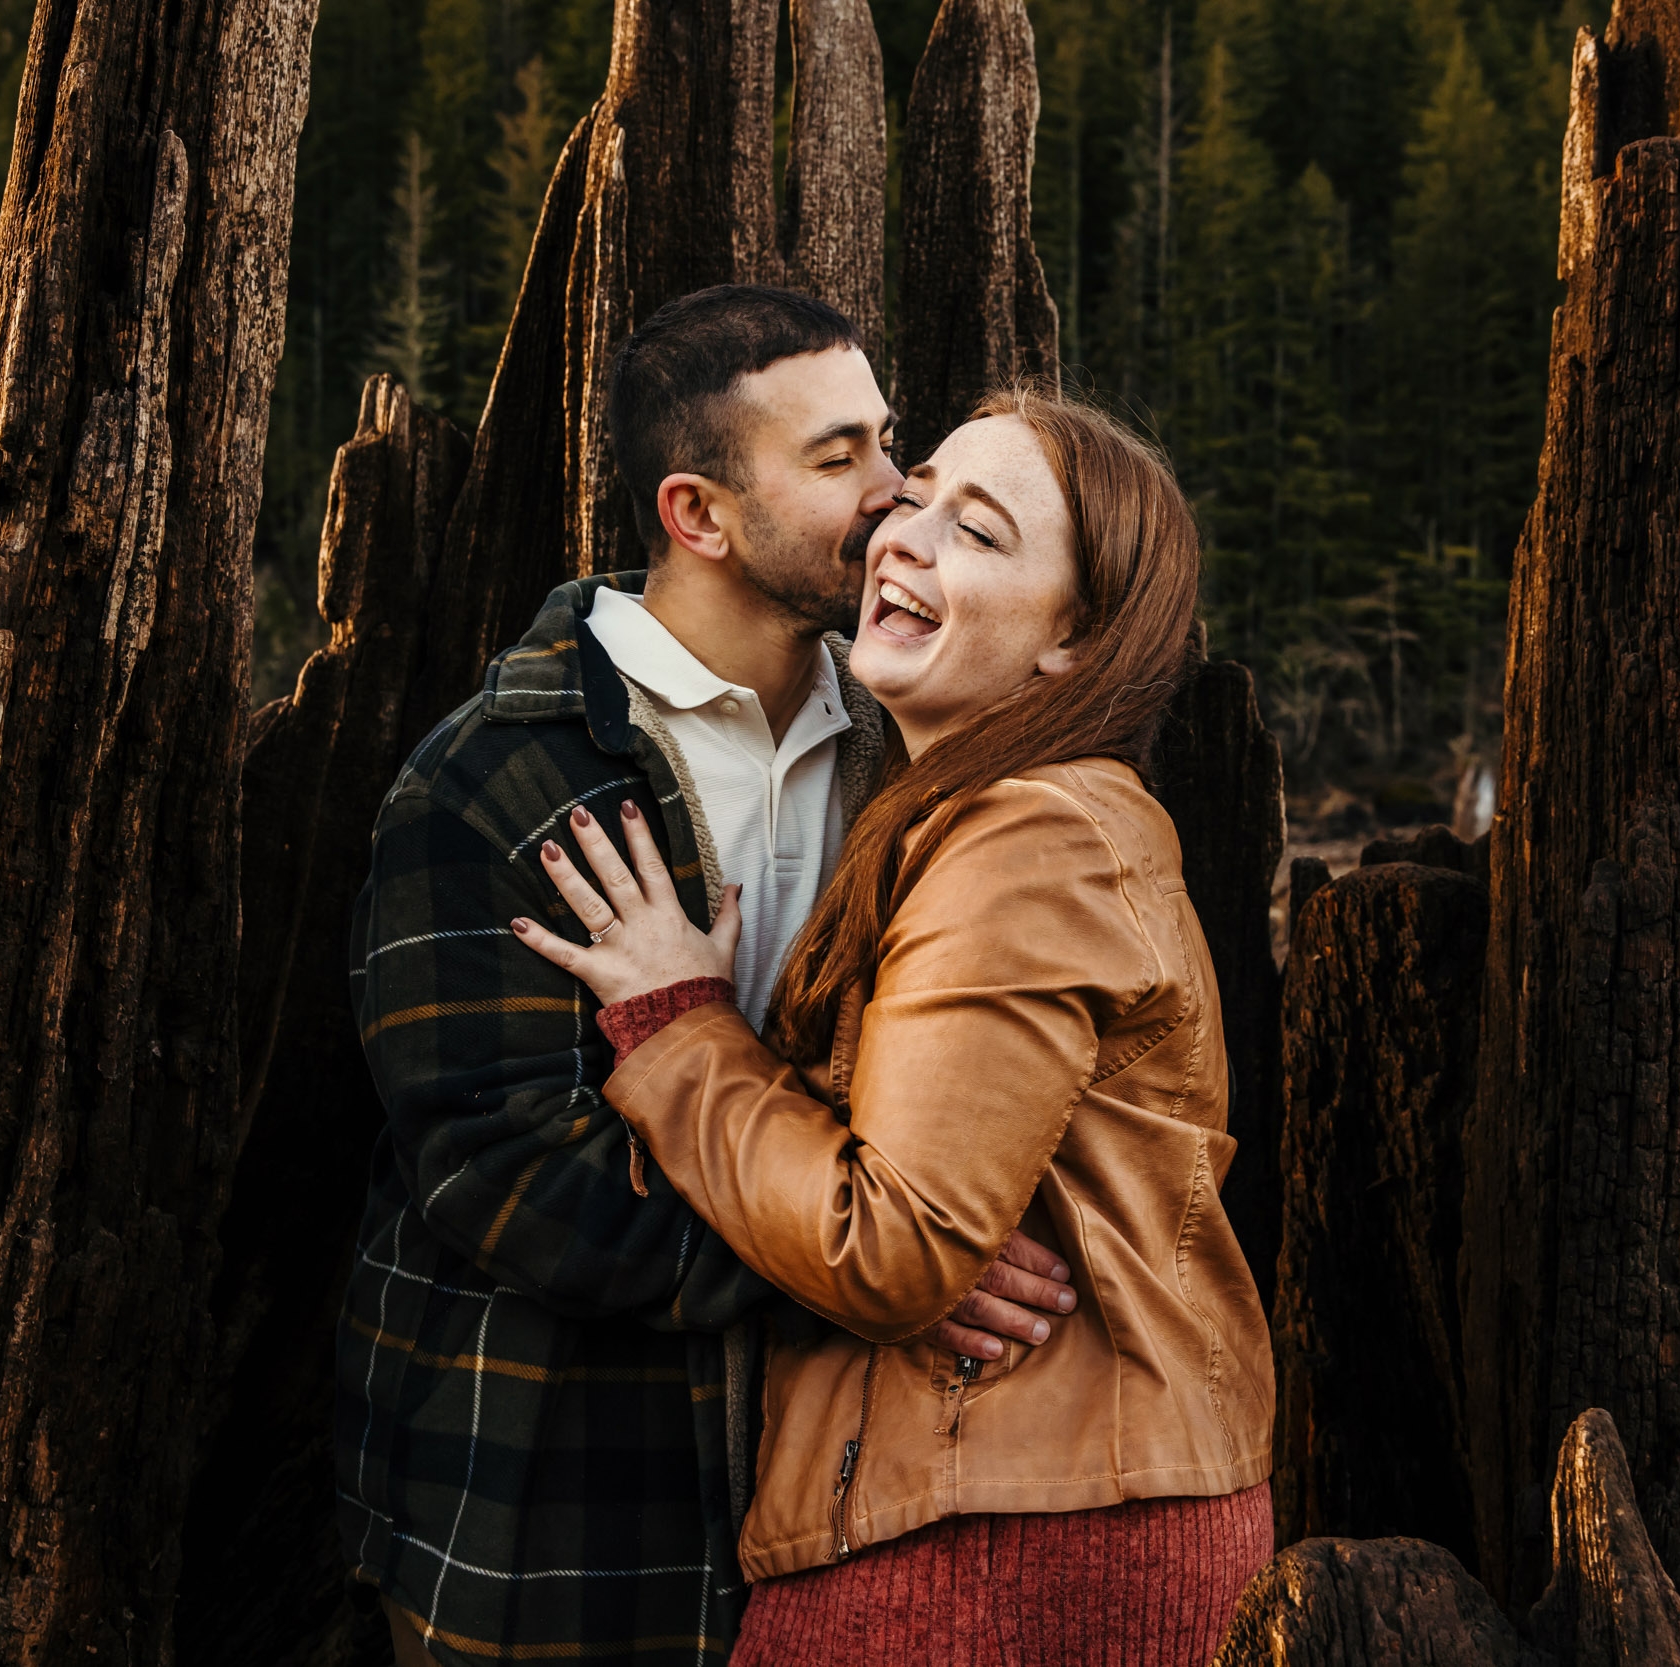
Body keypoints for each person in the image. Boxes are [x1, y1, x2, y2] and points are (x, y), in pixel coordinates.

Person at [337, 288, 1081, 1667]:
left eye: (889, 439)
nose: (895, 495)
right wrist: (883, 1269)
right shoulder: (496, 782)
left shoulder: (910, 743)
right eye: (835, 457)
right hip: (556, 1502)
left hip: (844, 1497)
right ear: (699, 515)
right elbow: (514, 1183)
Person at [511, 386, 1277, 1662]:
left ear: (1072, 643)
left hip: (1001, 1541)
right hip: (1010, 1500)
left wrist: (677, 1025)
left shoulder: (1027, 837)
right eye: (912, 497)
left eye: (978, 532)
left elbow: (891, 1246)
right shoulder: (987, 816)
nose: (901, 537)